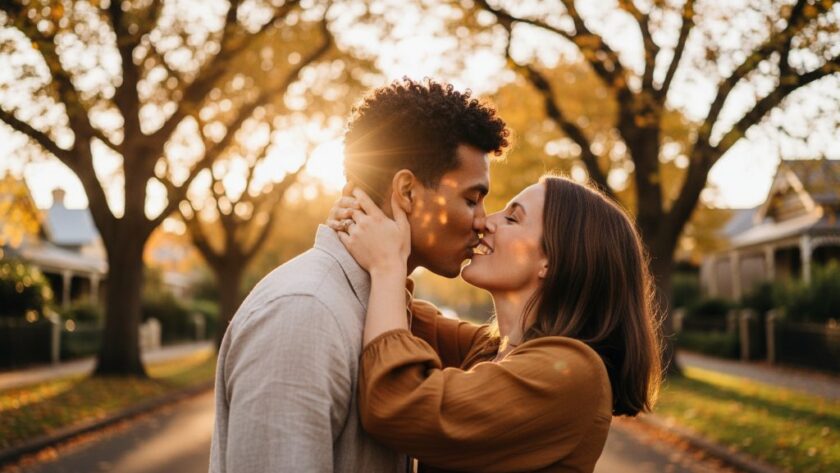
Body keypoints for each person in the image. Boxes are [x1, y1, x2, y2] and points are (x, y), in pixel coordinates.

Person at [209, 78, 509, 472]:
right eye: (471, 200)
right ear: (407, 192)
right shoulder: (304, 314)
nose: (482, 223)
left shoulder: (378, 308)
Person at [328, 175, 662, 472]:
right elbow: (401, 319)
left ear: (552, 260)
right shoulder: (492, 350)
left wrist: (388, 265)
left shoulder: (573, 374)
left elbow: (399, 404)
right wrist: (370, 227)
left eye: (512, 218)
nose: (485, 222)